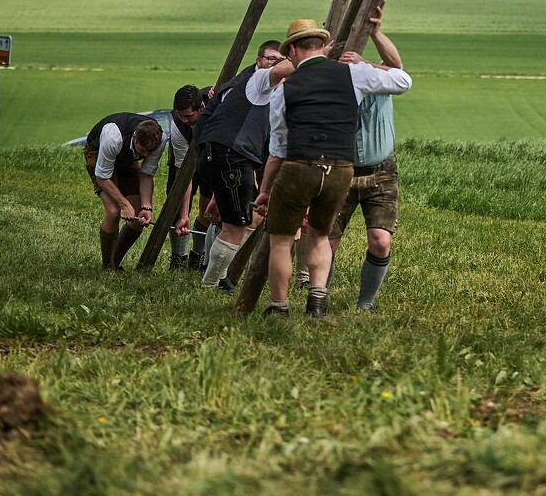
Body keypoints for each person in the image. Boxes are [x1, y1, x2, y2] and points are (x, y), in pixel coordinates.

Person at [254, 18, 411, 320]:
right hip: (341, 169)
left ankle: (279, 305)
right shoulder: (353, 74)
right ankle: (317, 303)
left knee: (282, 238)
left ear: (295, 50)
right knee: (321, 236)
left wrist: (265, 190)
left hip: (300, 166)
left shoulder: (285, 91)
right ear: (322, 46)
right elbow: (403, 80)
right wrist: (368, 64)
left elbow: (277, 148)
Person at [327, 6, 405, 312]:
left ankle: (365, 303)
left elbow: (397, 68)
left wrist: (372, 40)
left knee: (380, 240)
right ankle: (319, 297)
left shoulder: (377, 78)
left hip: (381, 169)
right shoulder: (331, 80)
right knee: (328, 241)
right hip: (341, 169)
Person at [194, 39, 288, 290]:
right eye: (272, 59)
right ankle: (211, 283)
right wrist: (314, 54)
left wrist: (218, 189)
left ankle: (219, 273)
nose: (277, 65)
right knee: (237, 225)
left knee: (253, 215)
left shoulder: (247, 85)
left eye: (280, 59)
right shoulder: (258, 81)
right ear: (259, 61)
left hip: (222, 156)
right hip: (231, 156)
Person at [84, 112, 166, 270]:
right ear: (134, 137)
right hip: (99, 154)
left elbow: (147, 174)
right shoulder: (112, 137)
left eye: (149, 153)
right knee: (113, 211)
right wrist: (123, 204)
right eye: (142, 151)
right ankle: (107, 267)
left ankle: (115, 262)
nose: (145, 156)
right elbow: (102, 177)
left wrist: (146, 207)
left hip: (126, 159)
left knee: (136, 218)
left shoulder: (159, 140)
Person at [165, 85, 205, 270]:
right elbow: (183, 173)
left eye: (188, 116)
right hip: (183, 160)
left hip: (213, 156)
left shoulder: (217, 110)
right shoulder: (178, 125)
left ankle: (198, 256)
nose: (184, 119)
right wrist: (183, 215)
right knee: (175, 201)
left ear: (201, 109)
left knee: (209, 211)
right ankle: (178, 258)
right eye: (180, 115)